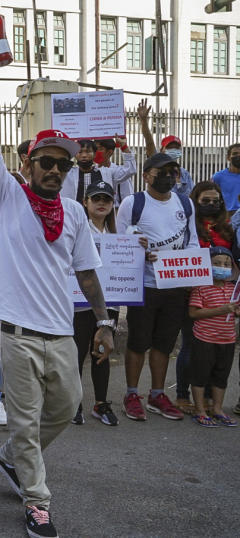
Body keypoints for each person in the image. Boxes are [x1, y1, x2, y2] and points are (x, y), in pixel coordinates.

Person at [0, 36, 112, 538]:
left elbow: (88, 274)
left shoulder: (74, 213)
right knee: (26, 422)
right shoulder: (6, 195)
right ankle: (38, 502)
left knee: (64, 409)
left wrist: (105, 321)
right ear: (28, 164)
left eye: (63, 164)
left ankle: (10, 459)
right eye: (45, 161)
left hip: (61, 331)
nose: (54, 169)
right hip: (16, 332)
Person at [117, 152, 199, 422]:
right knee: (138, 342)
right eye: (161, 171)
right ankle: (131, 393)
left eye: (172, 172)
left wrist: (186, 266)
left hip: (175, 286)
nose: (167, 176)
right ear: (147, 175)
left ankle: (156, 394)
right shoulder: (133, 202)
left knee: (164, 344)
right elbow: (120, 239)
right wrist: (136, 243)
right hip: (144, 285)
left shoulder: (186, 204)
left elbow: (193, 243)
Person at [174, 181, 237, 412]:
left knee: (215, 349)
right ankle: (182, 395)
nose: (211, 204)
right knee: (191, 346)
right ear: (195, 201)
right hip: (192, 293)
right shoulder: (185, 225)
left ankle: (210, 397)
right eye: (205, 201)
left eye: (215, 201)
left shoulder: (227, 228)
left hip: (221, 294)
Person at [72, 181, 123, 427]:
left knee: (102, 352)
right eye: (96, 198)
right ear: (86, 202)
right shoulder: (78, 229)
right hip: (80, 304)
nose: (101, 203)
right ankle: (74, 403)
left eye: (106, 199)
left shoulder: (120, 235)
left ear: (113, 204)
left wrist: (140, 248)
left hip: (110, 303)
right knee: (77, 353)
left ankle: (101, 403)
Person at [186, 247, 239, 427]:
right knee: (200, 376)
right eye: (216, 263)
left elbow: (235, 313)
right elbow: (193, 313)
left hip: (228, 340)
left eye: (226, 264)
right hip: (204, 339)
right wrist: (221, 310)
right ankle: (200, 410)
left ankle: (217, 409)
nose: (222, 267)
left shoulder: (234, 290)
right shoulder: (201, 288)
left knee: (220, 377)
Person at [137, 99, 195, 197]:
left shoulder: (184, 173)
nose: (174, 150)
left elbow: (192, 196)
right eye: (170, 147)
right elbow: (149, 142)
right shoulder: (156, 164)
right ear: (162, 150)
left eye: (177, 148)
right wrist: (144, 121)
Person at [59, 137, 135, 205]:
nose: (84, 155)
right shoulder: (67, 173)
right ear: (75, 155)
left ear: (95, 154)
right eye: (80, 152)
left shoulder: (107, 173)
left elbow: (130, 170)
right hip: (73, 218)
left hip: (100, 219)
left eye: (88, 152)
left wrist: (124, 147)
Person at [212, 142, 240, 214]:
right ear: (228, 157)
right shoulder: (218, 177)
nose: (238, 156)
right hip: (226, 217)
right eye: (235, 154)